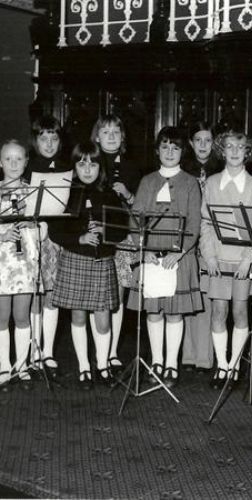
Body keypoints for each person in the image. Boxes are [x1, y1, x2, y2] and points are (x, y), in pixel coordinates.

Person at [127, 126, 202, 388]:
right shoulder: (147, 181)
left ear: (183, 152)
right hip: (151, 256)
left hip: (177, 256)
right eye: (165, 146)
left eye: (176, 147)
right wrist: (143, 249)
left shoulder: (191, 183)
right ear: (157, 150)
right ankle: (156, 361)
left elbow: (194, 222)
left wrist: (179, 252)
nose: (170, 152)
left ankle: (172, 364)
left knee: (174, 314)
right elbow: (135, 219)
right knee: (153, 313)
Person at [50, 141, 127, 390]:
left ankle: (102, 364)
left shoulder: (109, 194)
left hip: (102, 261)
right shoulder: (66, 193)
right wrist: (80, 238)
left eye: (93, 164)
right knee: (78, 316)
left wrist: (107, 230)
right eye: (81, 163)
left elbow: (122, 227)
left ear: (100, 167)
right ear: (73, 166)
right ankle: (84, 366)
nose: (87, 169)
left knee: (103, 318)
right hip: (75, 259)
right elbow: (55, 230)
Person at [200, 129, 252, 388]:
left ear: (248, 151)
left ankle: (235, 365)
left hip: (243, 260)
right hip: (218, 258)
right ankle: (221, 365)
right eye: (230, 147)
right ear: (222, 151)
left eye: (240, 147)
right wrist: (209, 255)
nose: (235, 152)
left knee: (240, 310)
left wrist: (248, 259)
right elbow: (206, 223)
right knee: (219, 311)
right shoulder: (212, 183)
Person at [90, 114, 141, 373]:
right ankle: (100, 349)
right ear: (97, 136)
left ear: (122, 137)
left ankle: (111, 353)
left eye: (116, 132)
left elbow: (140, 206)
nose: (111, 136)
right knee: (97, 295)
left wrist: (128, 195)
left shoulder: (131, 167)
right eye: (105, 131)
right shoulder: (90, 162)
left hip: (122, 235)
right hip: (97, 235)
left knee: (118, 295)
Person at [25, 116, 72, 380]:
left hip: (57, 240)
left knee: (53, 294)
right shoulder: (28, 167)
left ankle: (49, 351)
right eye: (44, 138)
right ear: (35, 141)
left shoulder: (66, 168)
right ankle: (33, 349)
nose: (49, 143)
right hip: (33, 237)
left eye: (54, 138)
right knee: (36, 294)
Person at [181, 121, 223, 372]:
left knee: (208, 297)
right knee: (187, 294)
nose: (203, 145)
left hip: (211, 238)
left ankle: (205, 357)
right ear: (190, 143)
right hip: (187, 236)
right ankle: (187, 354)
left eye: (208, 140)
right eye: (198, 140)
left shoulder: (221, 168)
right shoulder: (183, 169)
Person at [0, 140, 40, 391]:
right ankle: (3, 366)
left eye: (19, 159)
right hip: (2, 262)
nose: (13, 164)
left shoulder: (34, 192)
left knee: (22, 315)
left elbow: (44, 231)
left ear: (26, 162)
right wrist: (2, 235)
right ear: (0, 162)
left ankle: (22, 365)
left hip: (25, 262)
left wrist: (32, 227)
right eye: (8, 159)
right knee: (1, 317)